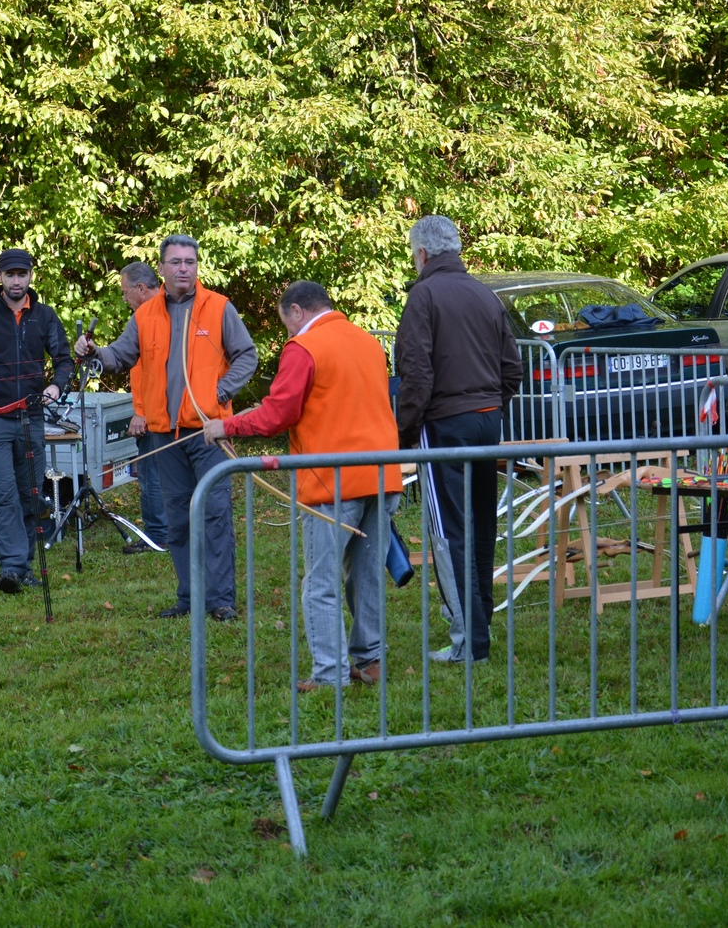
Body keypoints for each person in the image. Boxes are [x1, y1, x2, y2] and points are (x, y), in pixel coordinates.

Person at [205, 281, 402, 691]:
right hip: (382, 474)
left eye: (287, 323)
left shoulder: (304, 347)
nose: (289, 332)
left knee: (320, 583)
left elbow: (278, 414)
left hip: (333, 480)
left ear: (297, 311)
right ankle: (371, 661)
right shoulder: (367, 342)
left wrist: (227, 425)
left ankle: (330, 675)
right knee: (366, 575)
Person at [74, 235, 258, 620]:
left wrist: (220, 392)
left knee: (215, 514)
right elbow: (119, 355)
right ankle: (189, 597)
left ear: (196, 266)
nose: (183, 269)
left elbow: (247, 355)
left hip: (209, 433)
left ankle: (220, 600)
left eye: (190, 262)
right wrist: (93, 352)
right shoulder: (145, 315)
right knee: (178, 519)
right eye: (175, 262)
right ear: (161, 268)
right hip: (165, 436)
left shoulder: (219, 307)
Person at [394, 215, 523, 663]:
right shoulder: (484, 294)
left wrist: (405, 432)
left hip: (446, 424)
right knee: (481, 525)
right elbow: (513, 368)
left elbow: (416, 373)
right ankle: (478, 630)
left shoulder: (424, 295)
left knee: (450, 533)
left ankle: (469, 641)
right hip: (487, 420)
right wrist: (490, 404)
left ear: (422, 254)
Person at [0, 248, 74, 595]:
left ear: (31, 276)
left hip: (32, 418)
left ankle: (24, 568)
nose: (17, 280)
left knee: (30, 494)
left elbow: (64, 359)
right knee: (4, 492)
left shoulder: (45, 316)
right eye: (10, 275)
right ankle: (11, 567)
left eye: (22, 274)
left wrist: (56, 386)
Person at [117, 261, 169, 554]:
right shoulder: (171, 310)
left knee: (151, 474)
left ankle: (158, 536)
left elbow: (151, 373)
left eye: (125, 293)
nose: (125, 299)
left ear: (140, 288)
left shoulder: (150, 317)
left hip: (154, 414)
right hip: (169, 412)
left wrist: (141, 411)